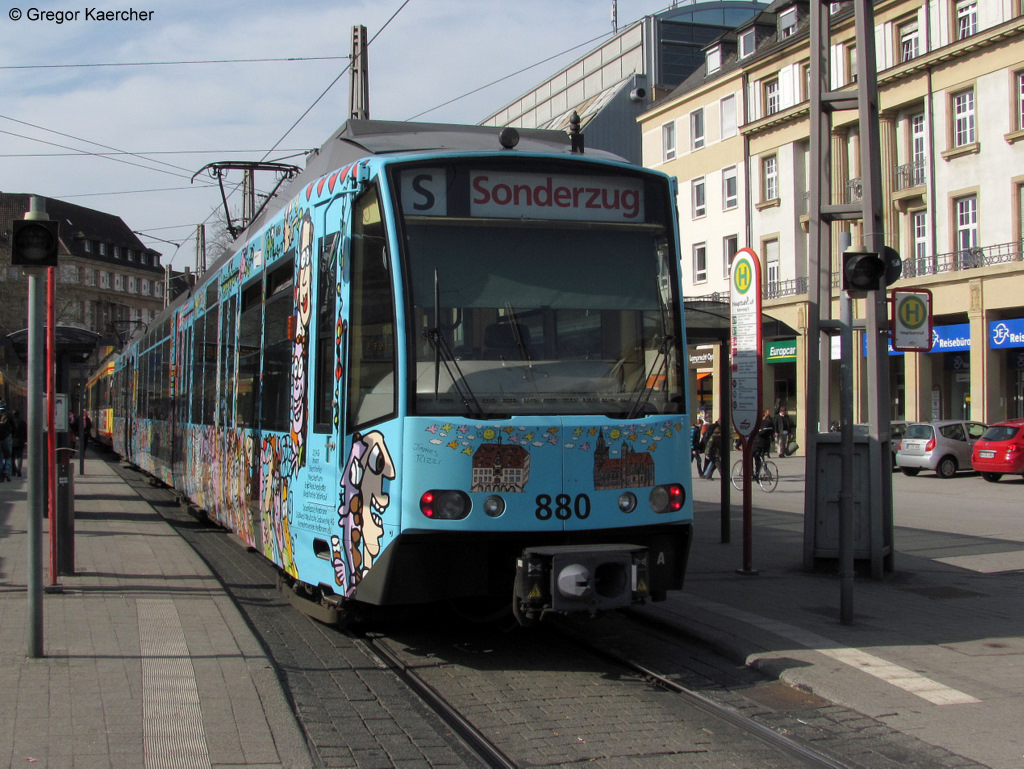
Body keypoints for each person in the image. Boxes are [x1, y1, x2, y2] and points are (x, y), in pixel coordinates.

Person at [11, 409, 26, 477]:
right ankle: (19, 469)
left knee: (12, 456)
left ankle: (13, 470)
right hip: (20, 441)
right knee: (19, 456)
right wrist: (25, 440)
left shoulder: (10, 422)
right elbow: (25, 432)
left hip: (12, 441)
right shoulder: (22, 422)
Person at [0, 406, 12, 482]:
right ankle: (7, 471)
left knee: (0, 456)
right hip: (7, 437)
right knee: (8, 456)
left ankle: (1, 474)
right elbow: (14, 427)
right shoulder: (8, 416)